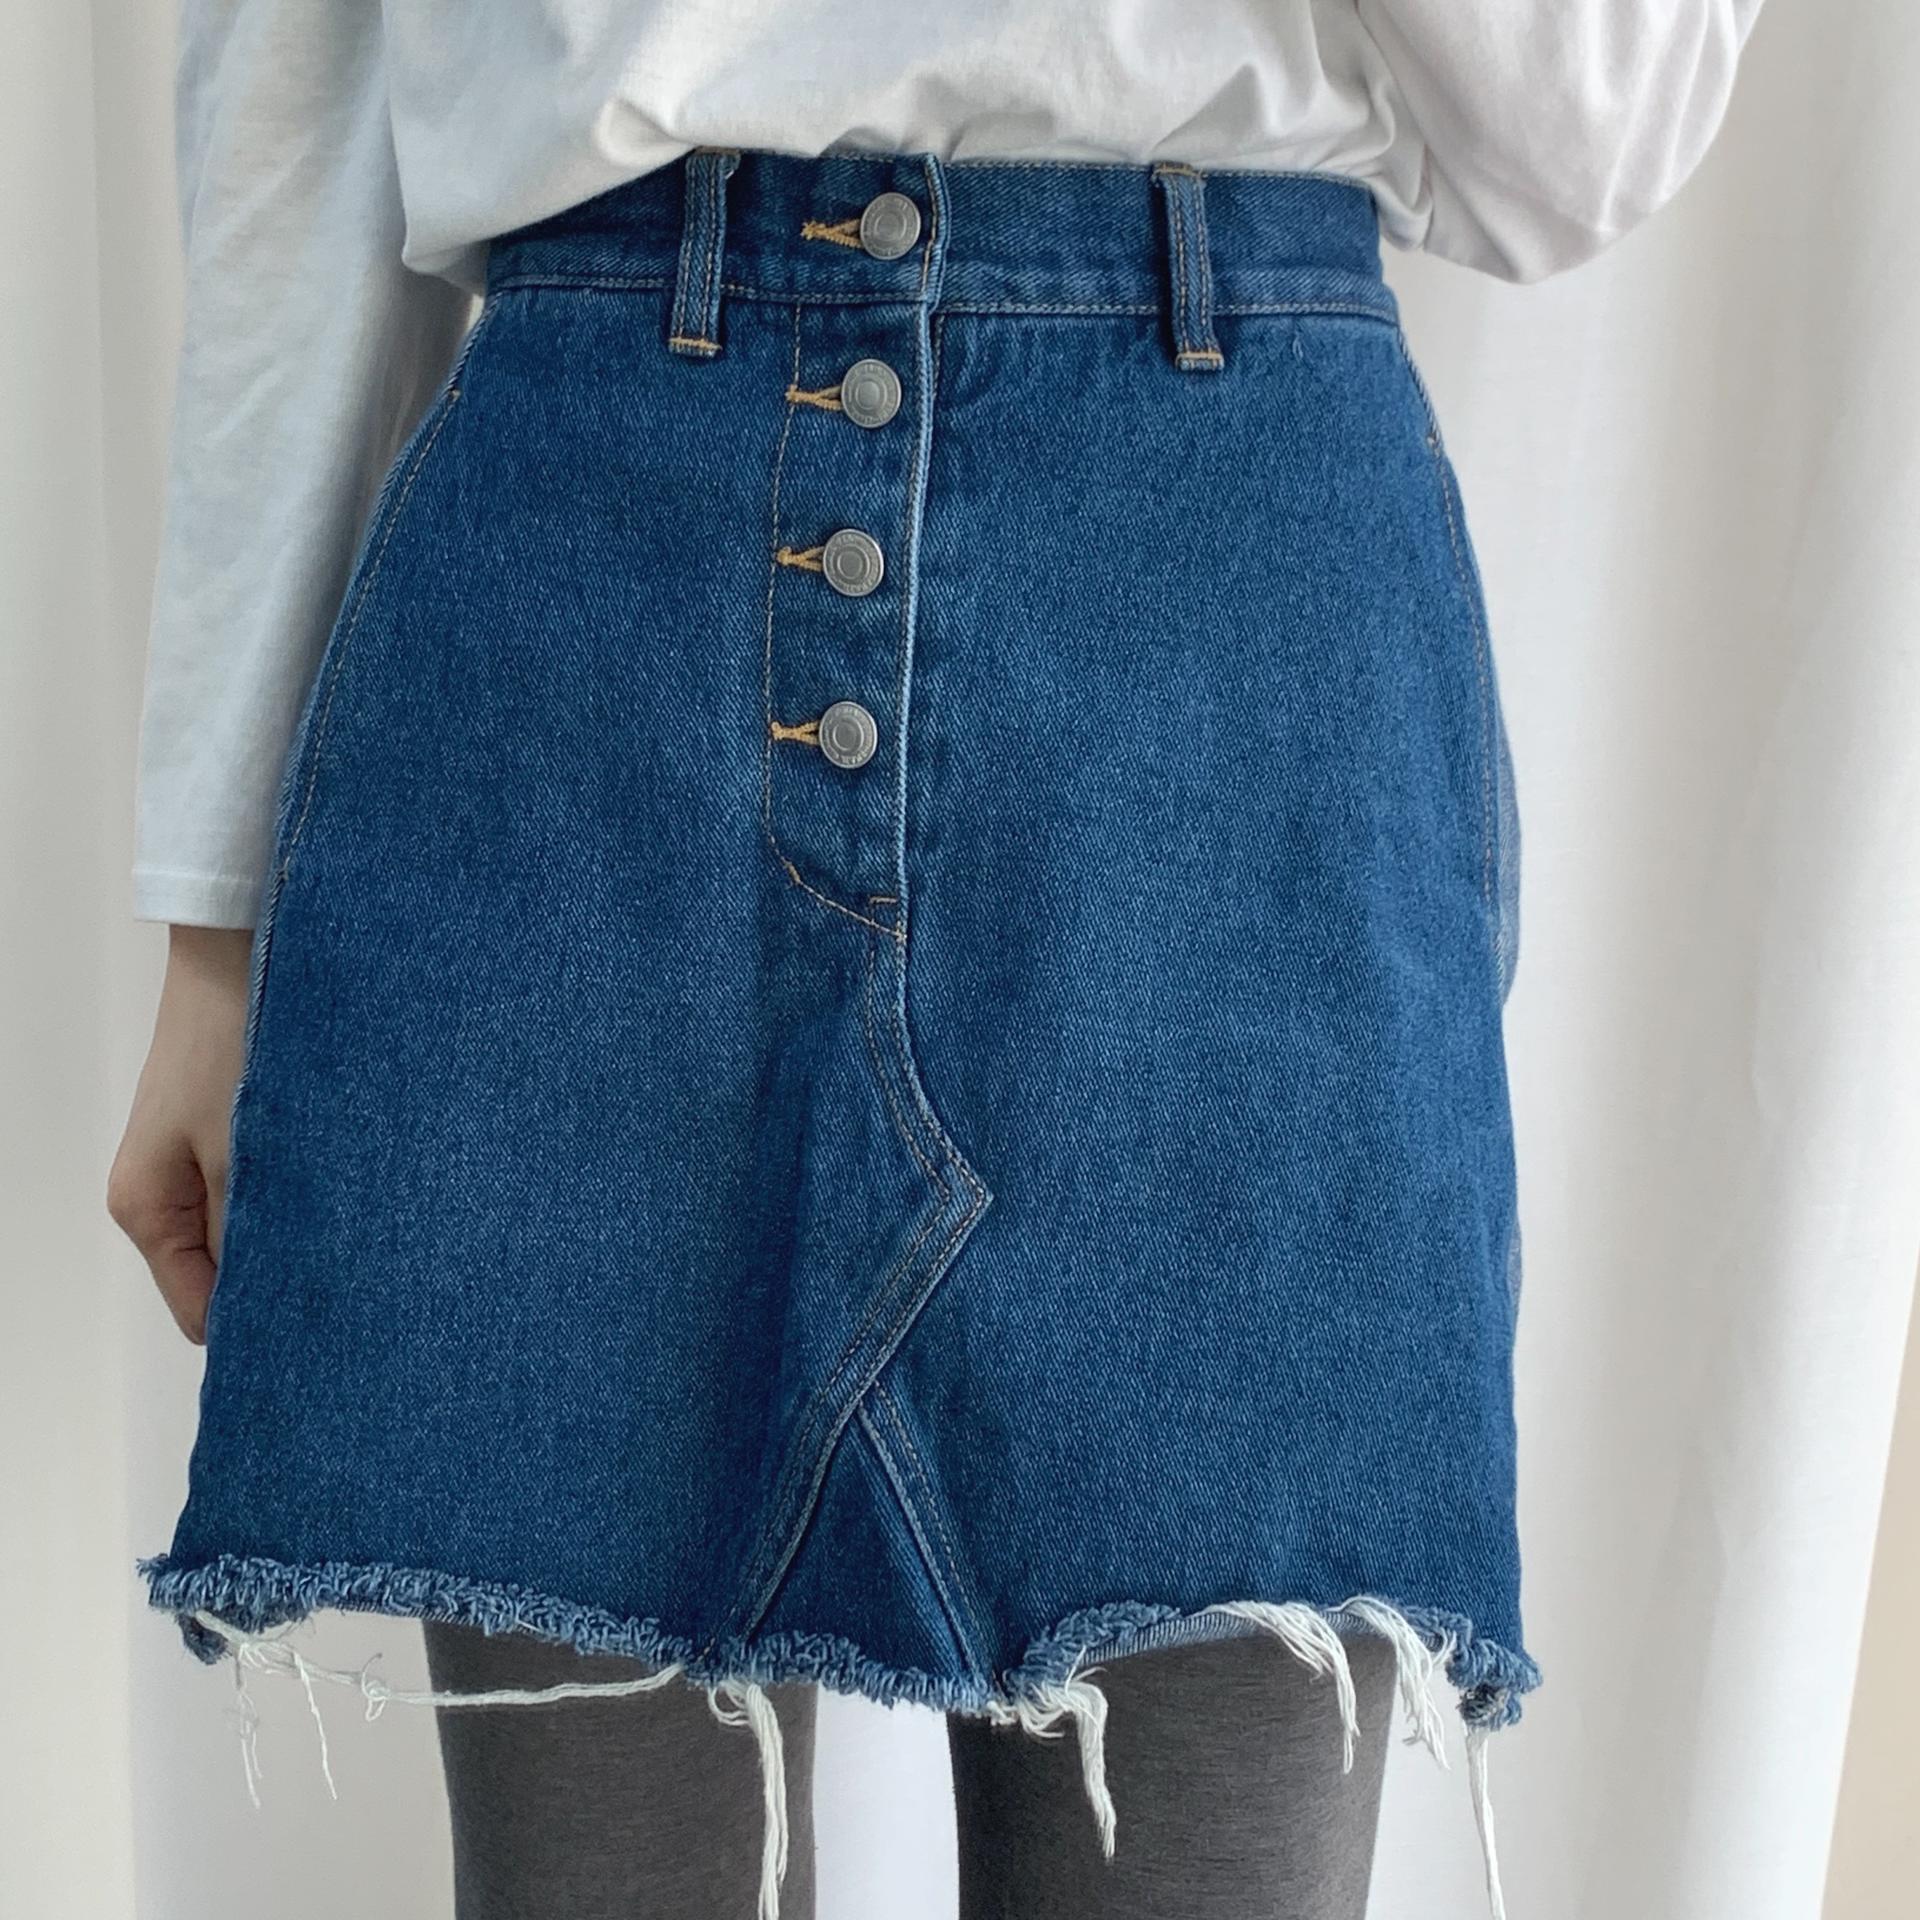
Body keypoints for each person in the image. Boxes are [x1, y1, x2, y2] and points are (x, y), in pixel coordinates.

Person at [108, 5, 1766, 1916]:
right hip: (590, 595)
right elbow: (304, 91)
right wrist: (217, 933)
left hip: (1223, 645)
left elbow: (1592, 127)